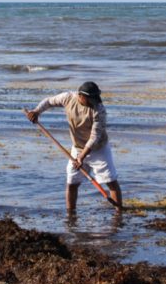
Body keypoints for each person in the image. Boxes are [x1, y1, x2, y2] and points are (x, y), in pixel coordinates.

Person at [25, 81, 122, 212]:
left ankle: (119, 213)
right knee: (72, 183)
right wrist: (37, 111)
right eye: (91, 98)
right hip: (77, 148)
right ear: (81, 96)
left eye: (95, 98)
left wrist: (82, 156)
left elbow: (94, 137)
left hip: (98, 149)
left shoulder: (99, 110)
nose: (94, 101)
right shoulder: (68, 98)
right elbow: (49, 101)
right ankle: (71, 214)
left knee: (110, 181)